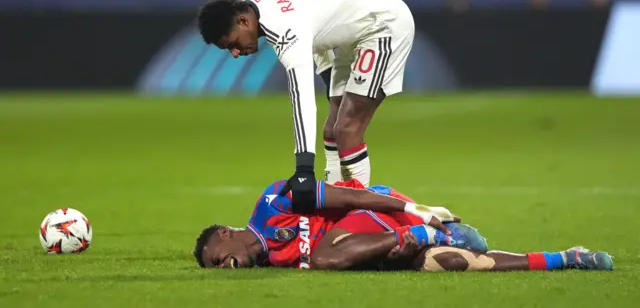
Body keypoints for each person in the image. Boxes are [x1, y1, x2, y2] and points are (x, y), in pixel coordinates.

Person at [196, 0, 416, 214]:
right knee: (332, 127)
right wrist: (332, 85)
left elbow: (301, 97)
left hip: (383, 25)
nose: (235, 53)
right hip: (352, 26)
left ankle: (359, 219)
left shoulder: (283, 30)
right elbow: (312, 20)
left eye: (232, 44)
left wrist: (304, 169)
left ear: (243, 22)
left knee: (347, 127)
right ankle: (335, 210)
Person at [193, 179, 614, 272]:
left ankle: (427, 231)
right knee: (456, 263)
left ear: (226, 234)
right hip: (368, 248)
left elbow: (355, 197)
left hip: (374, 216)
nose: (225, 264)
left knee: (322, 257)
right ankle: (569, 257)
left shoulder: (273, 204)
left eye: (218, 256)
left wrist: (419, 210)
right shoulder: (269, 263)